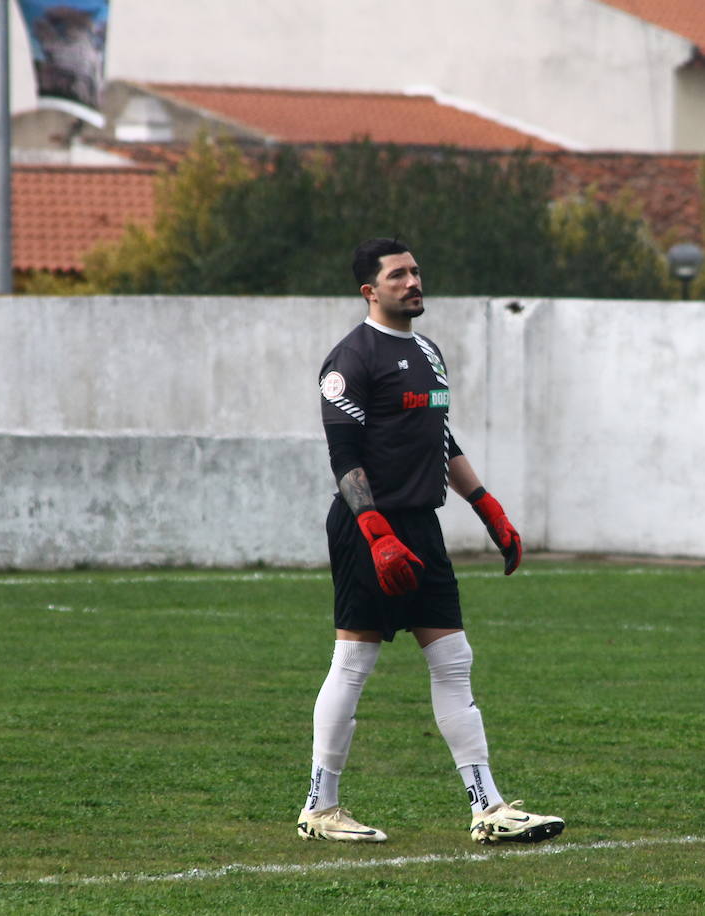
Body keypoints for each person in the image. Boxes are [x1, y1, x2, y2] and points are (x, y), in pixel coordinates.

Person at [297, 237, 564, 847]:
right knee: (354, 662)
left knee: (453, 660)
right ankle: (320, 806)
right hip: (370, 529)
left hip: (421, 526)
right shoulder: (349, 361)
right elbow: (344, 459)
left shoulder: (428, 352)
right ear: (370, 290)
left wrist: (486, 506)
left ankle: (487, 806)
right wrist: (375, 532)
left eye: (416, 271)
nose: (413, 282)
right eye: (398, 275)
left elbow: (439, 438)